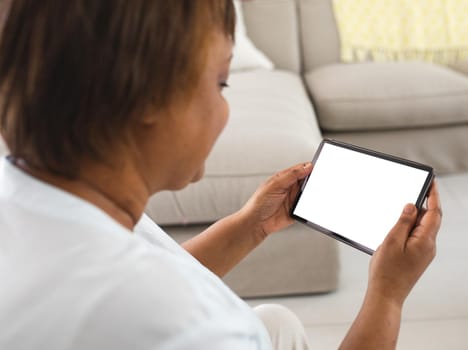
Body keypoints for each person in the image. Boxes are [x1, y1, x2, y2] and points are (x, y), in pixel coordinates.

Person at [0, 1, 442, 349]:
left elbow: (160, 275)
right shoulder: (190, 326)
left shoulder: (40, 191)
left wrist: (251, 226)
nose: (226, 110)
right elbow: (159, 303)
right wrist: (387, 296)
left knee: (275, 323)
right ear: (147, 97)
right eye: (221, 83)